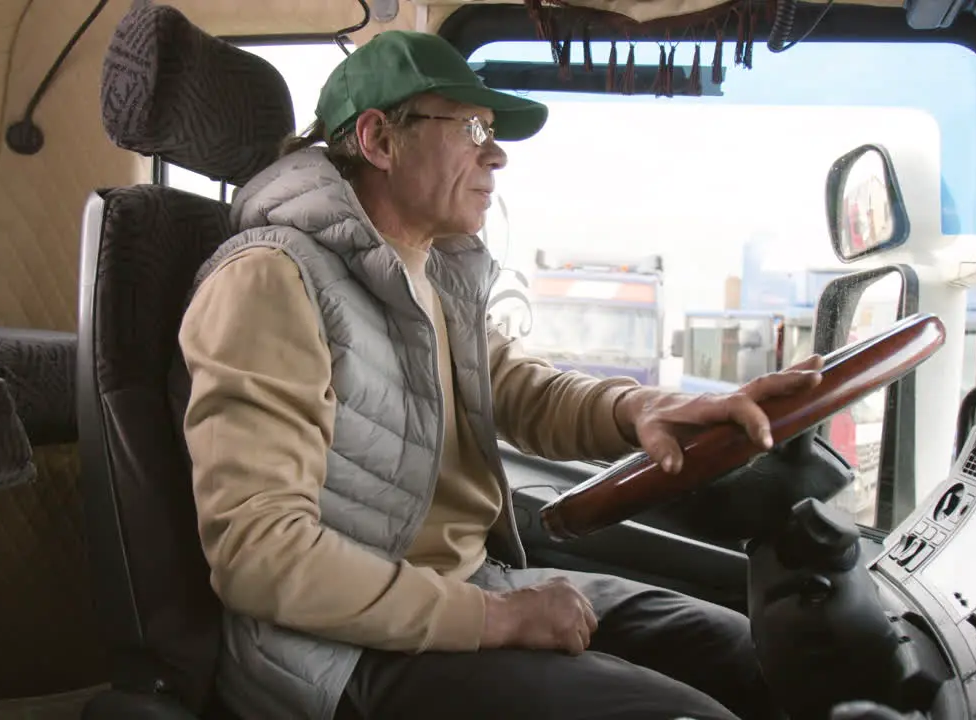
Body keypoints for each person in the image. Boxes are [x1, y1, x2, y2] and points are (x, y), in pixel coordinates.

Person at [178, 29, 823, 720]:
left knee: (768, 658)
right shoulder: (271, 281)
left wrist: (641, 409)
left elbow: (518, 389)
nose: (498, 153)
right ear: (379, 140)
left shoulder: (431, 270)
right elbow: (260, 554)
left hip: (467, 584)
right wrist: (496, 619)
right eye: (474, 127)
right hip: (335, 655)